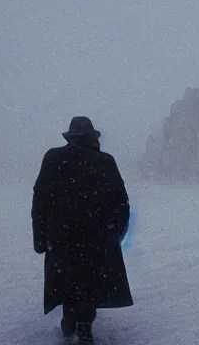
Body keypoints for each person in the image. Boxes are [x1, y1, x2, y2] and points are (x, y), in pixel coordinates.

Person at [32, 116, 133, 342]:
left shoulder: (53, 158)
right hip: (95, 236)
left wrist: (40, 236)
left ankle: (70, 321)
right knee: (89, 279)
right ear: (92, 137)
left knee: (67, 277)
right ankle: (85, 325)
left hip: (61, 235)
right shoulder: (105, 161)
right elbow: (121, 201)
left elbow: (40, 199)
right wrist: (116, 232)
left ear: (71, 137)